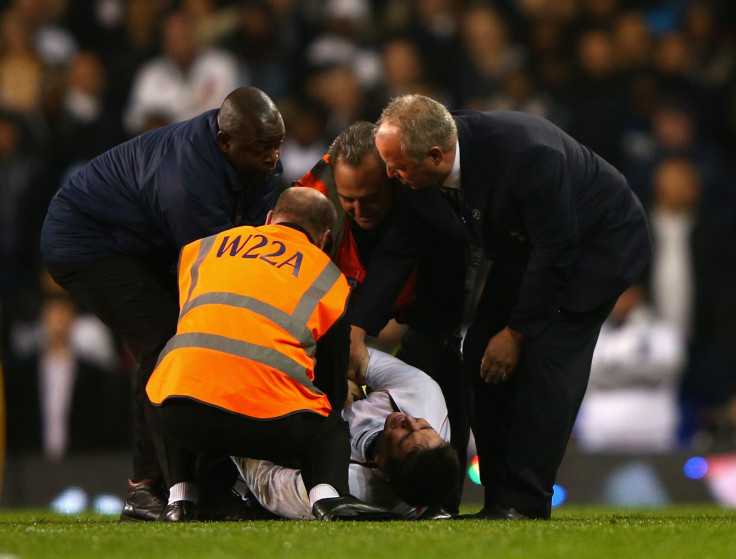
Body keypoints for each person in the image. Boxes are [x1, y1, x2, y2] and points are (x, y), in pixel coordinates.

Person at [372, 94, 652, 519]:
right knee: (481, 357)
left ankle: (525, 502)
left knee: (546, 366)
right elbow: (402, 246)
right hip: (527, 250)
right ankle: (498, 496)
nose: (390, 174)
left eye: (397, 166)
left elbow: (557, 251)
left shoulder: (525, 154)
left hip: (595, 249)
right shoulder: (431, 157)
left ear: (435, 155)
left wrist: (517, 334)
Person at [40, 86, 285, 522]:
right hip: (86, 240)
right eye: (260, 149)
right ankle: (158, 489)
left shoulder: (252, 157)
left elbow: (249, 246)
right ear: (225, 142)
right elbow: (215, 274)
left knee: (179, 344)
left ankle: (190, 486)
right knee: (165, 345)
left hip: (139, 242)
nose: (272, 158)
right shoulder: (188, 182)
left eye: (276, 146)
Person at [146, 187, 394, 522]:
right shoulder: (329, 277)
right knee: (328, 421)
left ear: (269, 220)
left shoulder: (203, 249)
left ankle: (180, 500)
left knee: (176, 377)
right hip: (268, 424)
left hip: (180, 417)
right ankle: (327, 499)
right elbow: (332, 386)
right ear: (323, 239)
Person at [296, 122, 469, 511]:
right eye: (349, 199)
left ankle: (440, 502)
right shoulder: (312, 205)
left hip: (415, 300)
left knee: (440, 356)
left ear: (393, 179)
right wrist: (338, 361)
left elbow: (437, 306)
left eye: (370, 198)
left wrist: (356, 352)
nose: (359, 210)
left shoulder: (425, 197)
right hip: (329, 310)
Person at [234, 348, 459, 520]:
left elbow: (267, 482)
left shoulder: (351, 489)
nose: (411, 420)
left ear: (383, 465)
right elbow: (352, 353)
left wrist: (232, 428)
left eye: (407, 436)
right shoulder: (424, 395)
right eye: (425, 427)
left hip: (281, 431)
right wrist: (337, 381)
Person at [574, 283, 686, 453]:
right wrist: (639, 366)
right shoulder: (592, 331)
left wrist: (614, 368)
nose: (622, 301)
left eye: (628, 294)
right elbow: (589, 372)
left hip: (653, 430)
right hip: (600, 431)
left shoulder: (662, 331)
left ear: (640, 296)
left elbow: (668, 368)